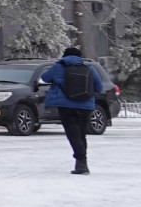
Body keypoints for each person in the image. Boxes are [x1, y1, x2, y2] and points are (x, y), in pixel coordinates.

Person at [40, 47, 103, 175]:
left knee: (73, 134)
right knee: (81, 134)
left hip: (66, 106)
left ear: (64, 55)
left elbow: (45, 78)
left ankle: (81, 163)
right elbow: (99, 87)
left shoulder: (58, 66)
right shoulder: (88, 68)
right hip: (85, 106)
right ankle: (82, 162)